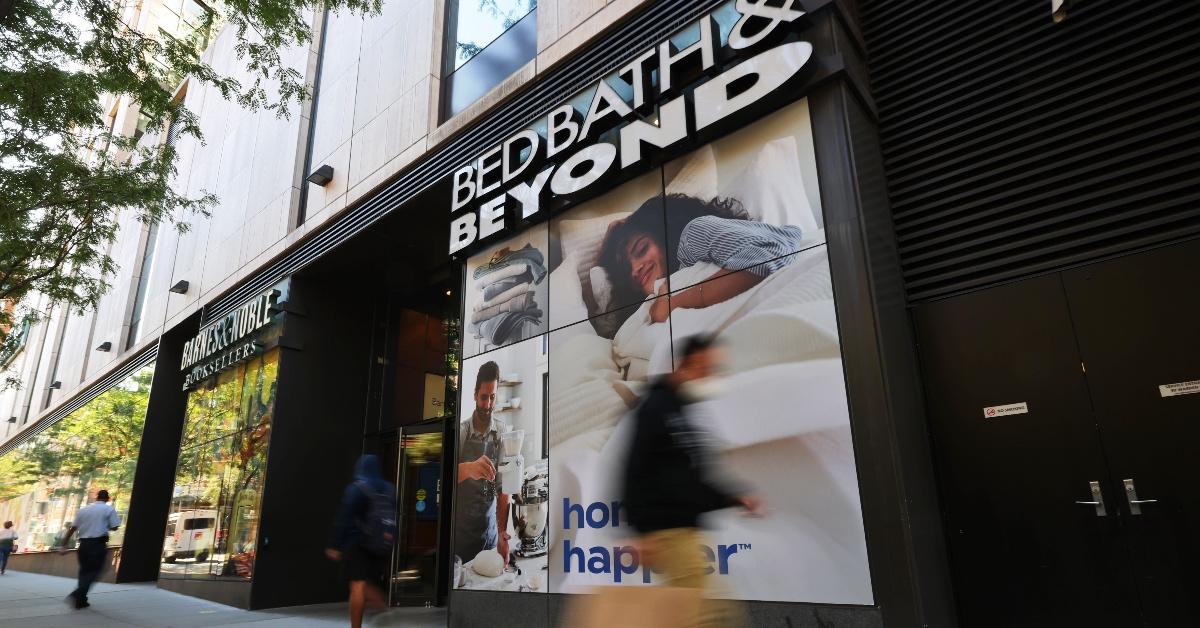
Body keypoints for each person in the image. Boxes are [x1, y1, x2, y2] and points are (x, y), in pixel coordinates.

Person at [621, 335, 764, 627]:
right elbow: (634, 468)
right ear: (692, 364)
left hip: (687, 532)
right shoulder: (657, 407)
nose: (713, 374)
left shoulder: (682, 410)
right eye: (710, 367)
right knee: (707, 617)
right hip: (670, 534)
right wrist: (640, 530)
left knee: (713, 614)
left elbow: (690, 479)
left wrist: (733, 498)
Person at [598, 194, 804, 322]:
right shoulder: (655, 297)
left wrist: (671, 304)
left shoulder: (693, 234)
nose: (634, 270)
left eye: (641, 248)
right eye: (626, 269)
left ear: (664, 233)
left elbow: (767, 255)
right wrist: (605, 249)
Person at [326, 454, 397, 628]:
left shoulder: (357, 487)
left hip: (358, 543)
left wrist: (335, 544)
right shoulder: (389, 489)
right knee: (366, 584)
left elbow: (345, 516)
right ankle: (384, 611)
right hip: (382, 545)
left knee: (357, 586)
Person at [454, 360, 511, 567]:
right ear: (475, 395)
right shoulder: (461, 433)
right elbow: (444, 478)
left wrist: (503, 532)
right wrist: (469, 468)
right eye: (484, 397)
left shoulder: (502, 433)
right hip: (460, 536)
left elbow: (502, 489)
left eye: (492, 397)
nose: (488, 404)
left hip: (489, 534)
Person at [58, 489, 120, 609]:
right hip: (97, 544)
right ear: (108, 499)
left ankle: (81, 601)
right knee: (96, 571)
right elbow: (115, 527)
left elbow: (72, 529)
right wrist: (105, 525)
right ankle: (77, 594)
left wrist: (63, 545)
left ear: (96, 498)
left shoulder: (83, 510)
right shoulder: (108, 509)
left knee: (84, 571)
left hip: (83, 545)